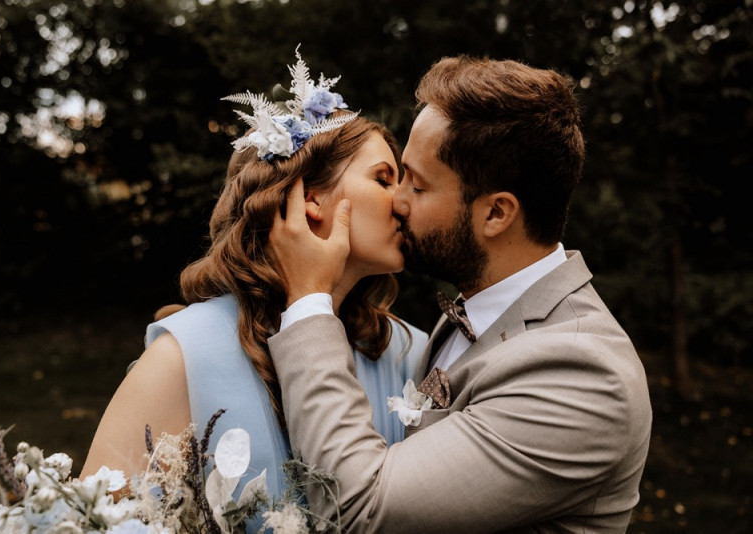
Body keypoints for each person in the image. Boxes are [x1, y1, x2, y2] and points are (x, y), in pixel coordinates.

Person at [266, 54, 653, 533]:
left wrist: (307, 299)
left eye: (418, 185)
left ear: (496, 214)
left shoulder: (585, 375)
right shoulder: (470, 313)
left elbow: (361, 509)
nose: (398, 201)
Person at [79, 50, 427, 532]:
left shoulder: (409, 350)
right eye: (384, 179)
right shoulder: (185, 357)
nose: (405, 202)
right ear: (308, 198)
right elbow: (92, 521)